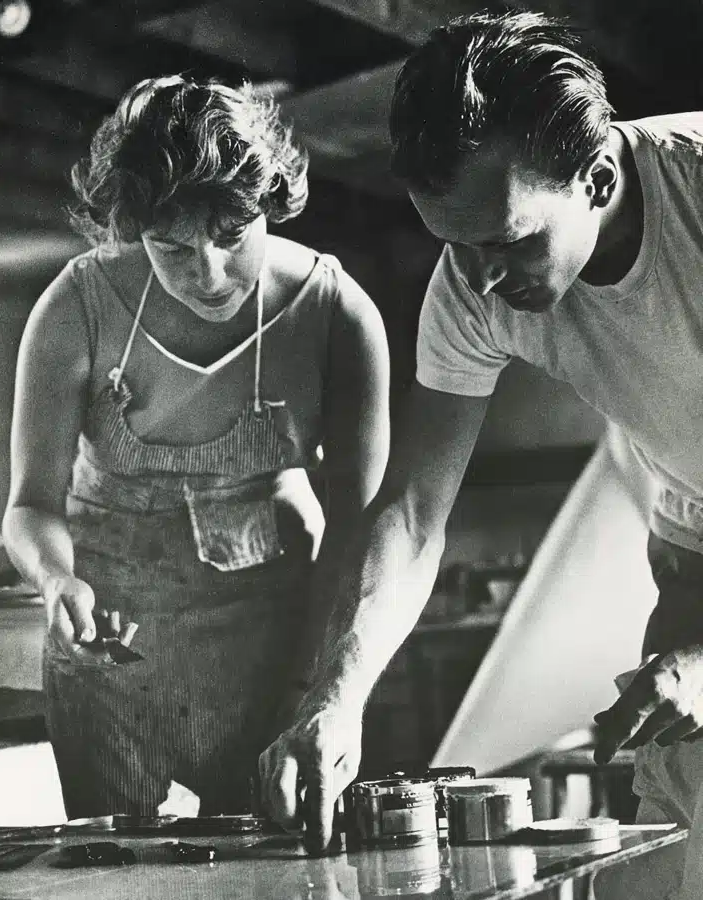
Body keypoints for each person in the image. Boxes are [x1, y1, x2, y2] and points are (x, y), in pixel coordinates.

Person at [259, 9, 703, 891]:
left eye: (506, 242)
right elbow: (416, 517)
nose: (480, 281)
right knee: (678, 859)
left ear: (598, 175)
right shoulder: (470, 284)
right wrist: (335, 698)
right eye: (453, 246)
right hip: (694, 550)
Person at [2, 74, 390, 818]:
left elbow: (361, 530)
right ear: (132, 231)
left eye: (231, 237)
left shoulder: (337, 315)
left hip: (276, 645)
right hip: (110, 649)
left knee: (273, 870)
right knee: (118, 876)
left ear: (268, 203)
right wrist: (57, 582)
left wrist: (322, 683)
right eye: (170, 247)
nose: (207, 274)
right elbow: (29, 505)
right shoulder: (76, 307)